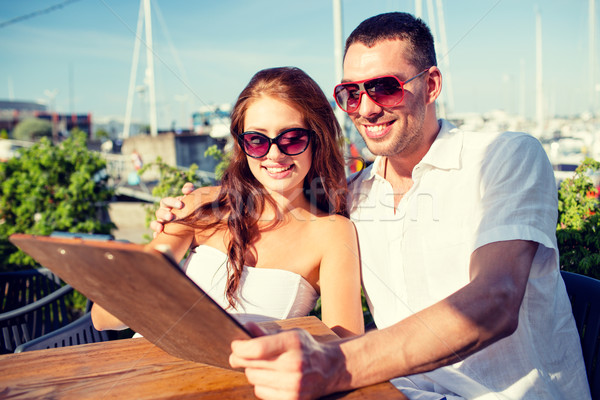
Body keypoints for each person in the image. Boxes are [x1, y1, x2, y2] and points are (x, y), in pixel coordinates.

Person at [153, 13, 590, 400]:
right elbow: (279, 208)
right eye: (350, 93)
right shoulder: (353, 197)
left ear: (431, 85)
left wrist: (336, 365)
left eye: (385, 87)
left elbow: (494, 301)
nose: (366, 108)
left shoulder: (503, 157)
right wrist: (193, 209)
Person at [92, 67, 364, 339]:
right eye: (257, 140)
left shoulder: (332, 233)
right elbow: (104, 317)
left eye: (292, 139)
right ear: (241, 144)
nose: (274, 154)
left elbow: (344, 344)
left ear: (318, 140)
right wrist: (161, 272)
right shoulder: (204, 203)